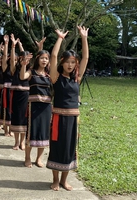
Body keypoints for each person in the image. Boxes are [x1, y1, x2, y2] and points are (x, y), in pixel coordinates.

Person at [46, 26, 89, 191]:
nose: (70, 65)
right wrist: (60, 38)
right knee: (57, 148)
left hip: (72, 119)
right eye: (67, 62)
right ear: (62, 63)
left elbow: (85, 57)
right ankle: (55, 180)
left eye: (73, 62)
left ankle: (65, 180)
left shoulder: (76, 79)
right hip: (58, 119)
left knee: (69, 150)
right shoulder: (56, 78)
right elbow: (54, 55)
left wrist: (83, 38)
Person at [19, 37, 52, 168]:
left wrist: (40, 47)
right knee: (31, 132)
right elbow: (22, 77)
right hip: (34, 106)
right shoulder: (31, 72)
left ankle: (39, 158)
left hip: (46, 107)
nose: (44, 60)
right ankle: (27, 157)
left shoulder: (49, 74)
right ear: (37, 59)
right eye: (42, 58)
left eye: (47, 58)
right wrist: (23, 65)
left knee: (44, 132)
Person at [9, 34, 29, 150]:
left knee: (24, 118)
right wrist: (12, 46)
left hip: (26, 95)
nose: (23, 59)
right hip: (16, 95)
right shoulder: (14, 68)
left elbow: (25, 55)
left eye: (25, 58)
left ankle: (22, 142)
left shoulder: (28, 69)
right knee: (16, 118)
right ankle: (16, 142)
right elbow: (12, 59)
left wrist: (21, 45)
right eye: (21, 58)